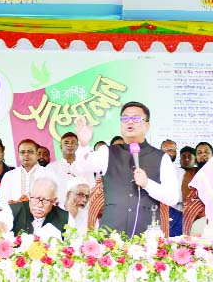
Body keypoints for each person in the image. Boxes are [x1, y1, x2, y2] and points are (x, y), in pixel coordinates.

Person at [74, 101, 179, 237]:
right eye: (125, 118)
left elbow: (172, 198)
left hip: (147, 238)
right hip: (111, 237)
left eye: (136, 118)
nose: (130, 122)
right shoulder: (107, 152)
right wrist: (83, 145)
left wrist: (148, 184)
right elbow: (82, 166)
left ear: (147, 125)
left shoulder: (161, 157)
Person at [0, 178, 73, 240]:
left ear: (54, 201)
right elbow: (0, 225)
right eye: (36, 199)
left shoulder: (66, 217)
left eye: (46, 200)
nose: (40, 205)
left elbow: (72, 246)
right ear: (30, 195)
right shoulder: (13, 210)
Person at [43, 132, 95, 199]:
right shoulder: (51, 168)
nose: (70, 145)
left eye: (73, 142)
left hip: (83, 207)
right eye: (66, 143)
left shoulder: (85, 166)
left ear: (77, 146)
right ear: (61, 147)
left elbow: (92, 188)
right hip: (59, 207)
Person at [0, 139, 48, 206]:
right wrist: (15, 204)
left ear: (37, 154)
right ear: (18, 154)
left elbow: (53, 198)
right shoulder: (9, 175)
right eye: (22, 152)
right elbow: (2, 201)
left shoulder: (47, 173)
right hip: (16, 214)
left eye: (30, 152)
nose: (26, 155)